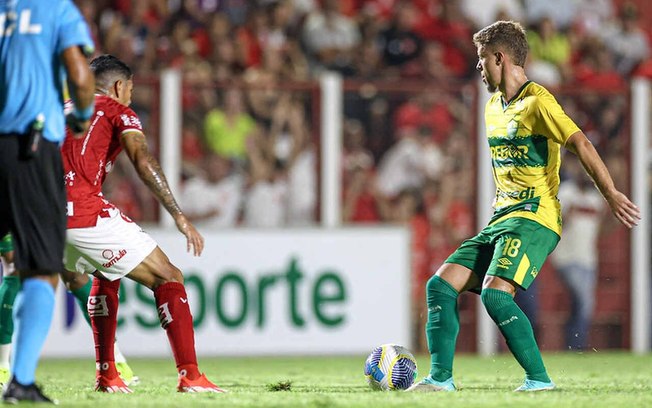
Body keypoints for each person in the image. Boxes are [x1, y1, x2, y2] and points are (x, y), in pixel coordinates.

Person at [407, 20, 640, 393]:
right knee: (439, 286)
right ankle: (440, 380)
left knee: (496, 294)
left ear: (500, 57)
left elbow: (579, 142)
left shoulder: (538, 102)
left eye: (482, 59)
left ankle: (539, 381)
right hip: (502, 219)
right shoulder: (492, 107)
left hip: (535, 216)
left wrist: (610, 193)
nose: (478, 67)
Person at [62, 54, 224, 393]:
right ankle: (191, 376)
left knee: (105, 273)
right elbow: (141, 157)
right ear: (119, 86)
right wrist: (178, 214)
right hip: (80, 211)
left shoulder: (59, 108)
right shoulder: (117, 110)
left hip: (38, 216)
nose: (131, 96)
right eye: (131, 89)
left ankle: (107, 374)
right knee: (169, 275)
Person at [0, 0, 96, 403]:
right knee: (40, 267)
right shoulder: (57, 9)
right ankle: (21, 380)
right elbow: (80, 74)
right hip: (29, 146)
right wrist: (83, 114)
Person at [0, 233, 139, 387]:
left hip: (54, 212)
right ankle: (2, 367)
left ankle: (115, 361)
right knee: (14, 265)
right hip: (14, 212)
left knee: (75, 276)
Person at [551, 160, 607, 350]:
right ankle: (577, 346)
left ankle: (572, 344)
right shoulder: (565, 193)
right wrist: (567, 214)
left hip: (588, 259)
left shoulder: (596, 198)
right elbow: (556, 224)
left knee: (582, 305)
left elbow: (600, 228)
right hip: (566, 257)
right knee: (584, 300)